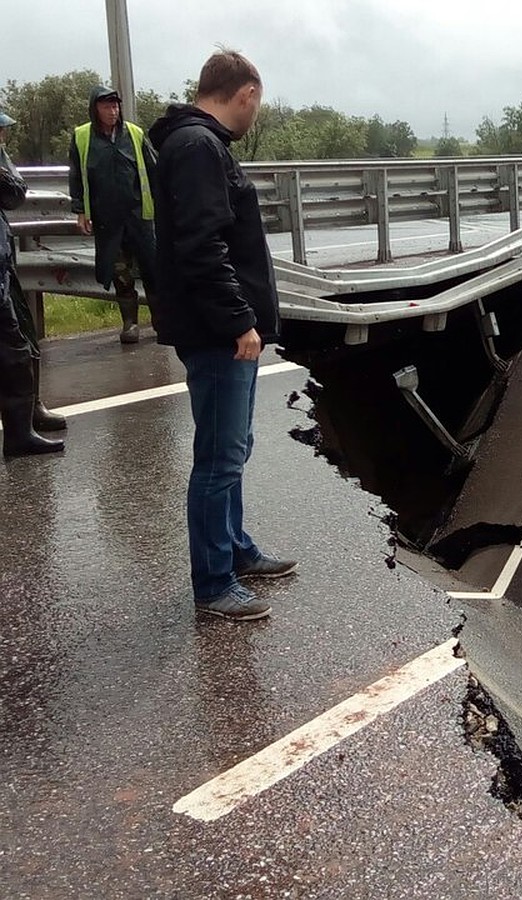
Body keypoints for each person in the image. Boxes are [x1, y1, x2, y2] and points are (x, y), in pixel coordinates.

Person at [149, 50, 295, 621]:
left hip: (221, 328)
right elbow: (202, 246)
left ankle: (234, 551)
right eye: (256, 102)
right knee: (218, 458)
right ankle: (213, 583)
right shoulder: (198, 148)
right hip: (217, 332)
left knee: (231, 451)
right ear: (247, 94)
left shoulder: (199, 145)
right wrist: (239, 320)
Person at [68, 85, 157, 344]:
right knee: (121, 273)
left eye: (116, 105)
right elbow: (76, 175)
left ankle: (162, 320)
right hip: (108, 219)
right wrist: (80, 211)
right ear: (95, 109)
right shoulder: (82, 137)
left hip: (139, 215)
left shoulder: (134, 133)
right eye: (107, 106)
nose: (113, 111)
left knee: (153, 269)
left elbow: (153, 169)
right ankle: (130, 323)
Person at [0, 110, 65, 457]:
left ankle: (21, 429)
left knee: (17, 349)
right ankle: (19, 433)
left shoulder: (1, 159)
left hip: (3, 266)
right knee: (13, 351)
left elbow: (15, 194)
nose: (3, 138)